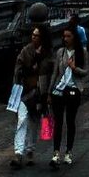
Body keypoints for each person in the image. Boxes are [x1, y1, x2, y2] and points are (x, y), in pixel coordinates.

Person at [10, 23, 53, 169]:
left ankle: (30, 151)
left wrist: (48, 93)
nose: (33, 37)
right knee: (22, 120)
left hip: (39, 92)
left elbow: (50, 73)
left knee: (34, 122)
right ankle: (18, 152)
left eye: (36, 35)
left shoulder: (47, 53)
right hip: (25, 90)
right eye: (32, 35)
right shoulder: (25, 51)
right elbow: (18, 69)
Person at [49, 26, 88, 168]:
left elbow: (85, 72)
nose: (65, 39)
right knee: (58, 122)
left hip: (73, 90)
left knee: (70, 121)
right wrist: (49, 91)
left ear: (74, 38)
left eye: (68, 36)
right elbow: (55, 73)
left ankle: (69, 152)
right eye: (64, 36)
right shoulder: (60, 52)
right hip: (59, 90)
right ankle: (56, 153)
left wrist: (74, 68)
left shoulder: (82, 52)